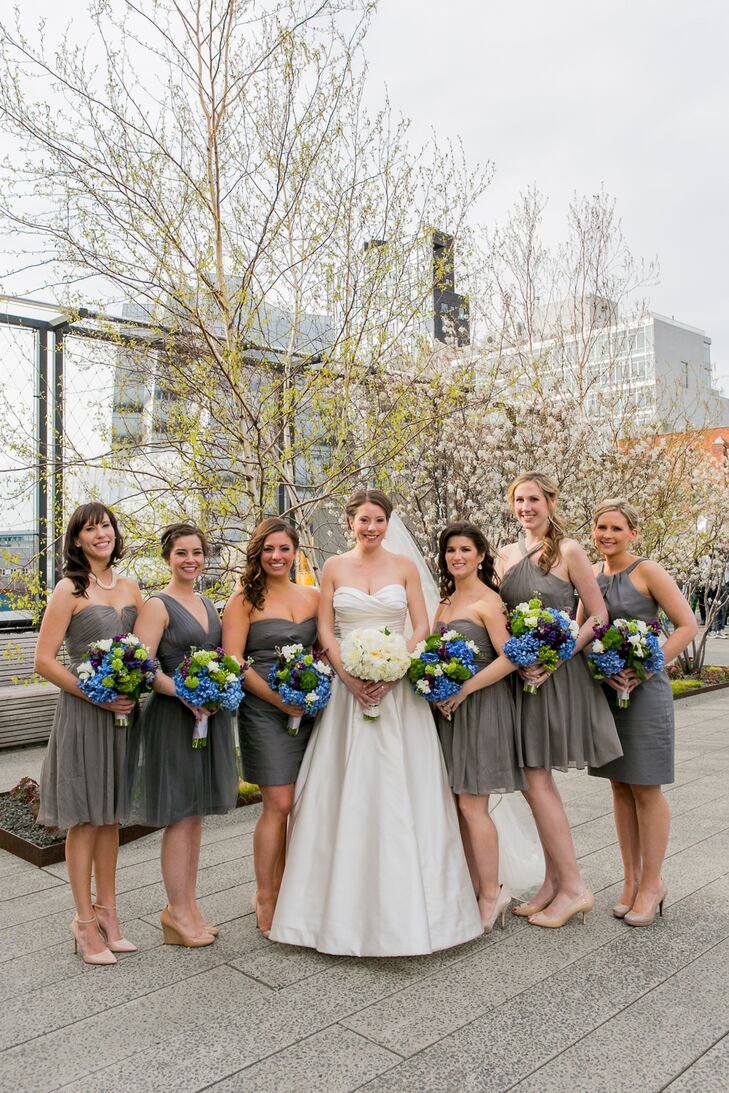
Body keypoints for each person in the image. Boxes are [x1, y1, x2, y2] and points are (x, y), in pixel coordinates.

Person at [268, 489, 483, 956]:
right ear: (350, 523)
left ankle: (421, 910)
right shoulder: (333, 568)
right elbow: (326, 629)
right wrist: (348, 674)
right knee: (346, 788)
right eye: (364, 520)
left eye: (380, 520)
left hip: (397, 691)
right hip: (348, 692)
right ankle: (327, 915)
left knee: (404, 788)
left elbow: (422, 626)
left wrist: (396, 667)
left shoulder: (404, 567)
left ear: (388, 523)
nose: (372, 527)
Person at [498, 473, 622, 929]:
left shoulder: (569, 550)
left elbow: (598, 616)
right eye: (519, 500)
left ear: (550, 502)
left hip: (556, 676)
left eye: (533, 499)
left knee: (536, 780)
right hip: (519, 676)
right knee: (534, 781)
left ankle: (574, 887)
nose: (526, 507)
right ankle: (552, 884)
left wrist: (556, 656)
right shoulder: (505, 554)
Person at [37, 502, 143, 965]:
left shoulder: (131, 586)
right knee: (85, 818)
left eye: (107, 526)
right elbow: (43, 661)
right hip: (86, 713)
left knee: (111, 817)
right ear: (77, 540)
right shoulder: (69, 589)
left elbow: (143, 650)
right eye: (90, 528)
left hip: (124, 715)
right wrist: (93, 695)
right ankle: (83, 923)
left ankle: (109, 913)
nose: (101, 533)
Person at [126, 523, 238, 947]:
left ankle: (186, 909)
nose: (190, 560)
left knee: (195, 817)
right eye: (181, 553)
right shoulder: (158, 605)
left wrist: (217, 691)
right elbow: (144, 663)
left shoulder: (208, 602)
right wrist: (184, 693)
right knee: (179, 816)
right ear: (167, 557)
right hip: (173, 719)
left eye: (196, 552)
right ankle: (176, 911)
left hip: (206, 718)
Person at [585, 499, 697, 925]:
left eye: (616, 528)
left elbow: (685, 625)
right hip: (609, 693)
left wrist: (644, 668)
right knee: (618, 786)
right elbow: (586, 630)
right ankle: (629, 880)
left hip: (646, 693)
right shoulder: (591, 576)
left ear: (632, 532)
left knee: (646, 787)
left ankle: (653, 883)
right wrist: (600, 668)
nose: (607, 535)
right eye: (600, 528)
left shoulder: (648, 571)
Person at [222, 517, 319, 936]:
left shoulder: (314, 597)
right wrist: (278, 699)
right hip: (263, 709)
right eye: (269, 549)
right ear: (257, 553)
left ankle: (291, 888)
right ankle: (265, 893)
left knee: (301, 806)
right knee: (277, 804)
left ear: (295, 551)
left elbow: (325, 650)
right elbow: (234, 661)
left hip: (310, 710)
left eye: (284, 549)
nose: (277, 556)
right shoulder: (243, 601)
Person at [433, 522, 527, 932]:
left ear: (481, 556)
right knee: (458, 804)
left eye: (465, 550)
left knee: (473, 804)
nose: (457, 557)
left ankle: (493, 891)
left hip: (483, 706)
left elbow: (510, 658)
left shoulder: (489, 601)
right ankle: (474, 886)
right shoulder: (445, 604)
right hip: (450, 711)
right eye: (451, 550)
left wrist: (467, 687)